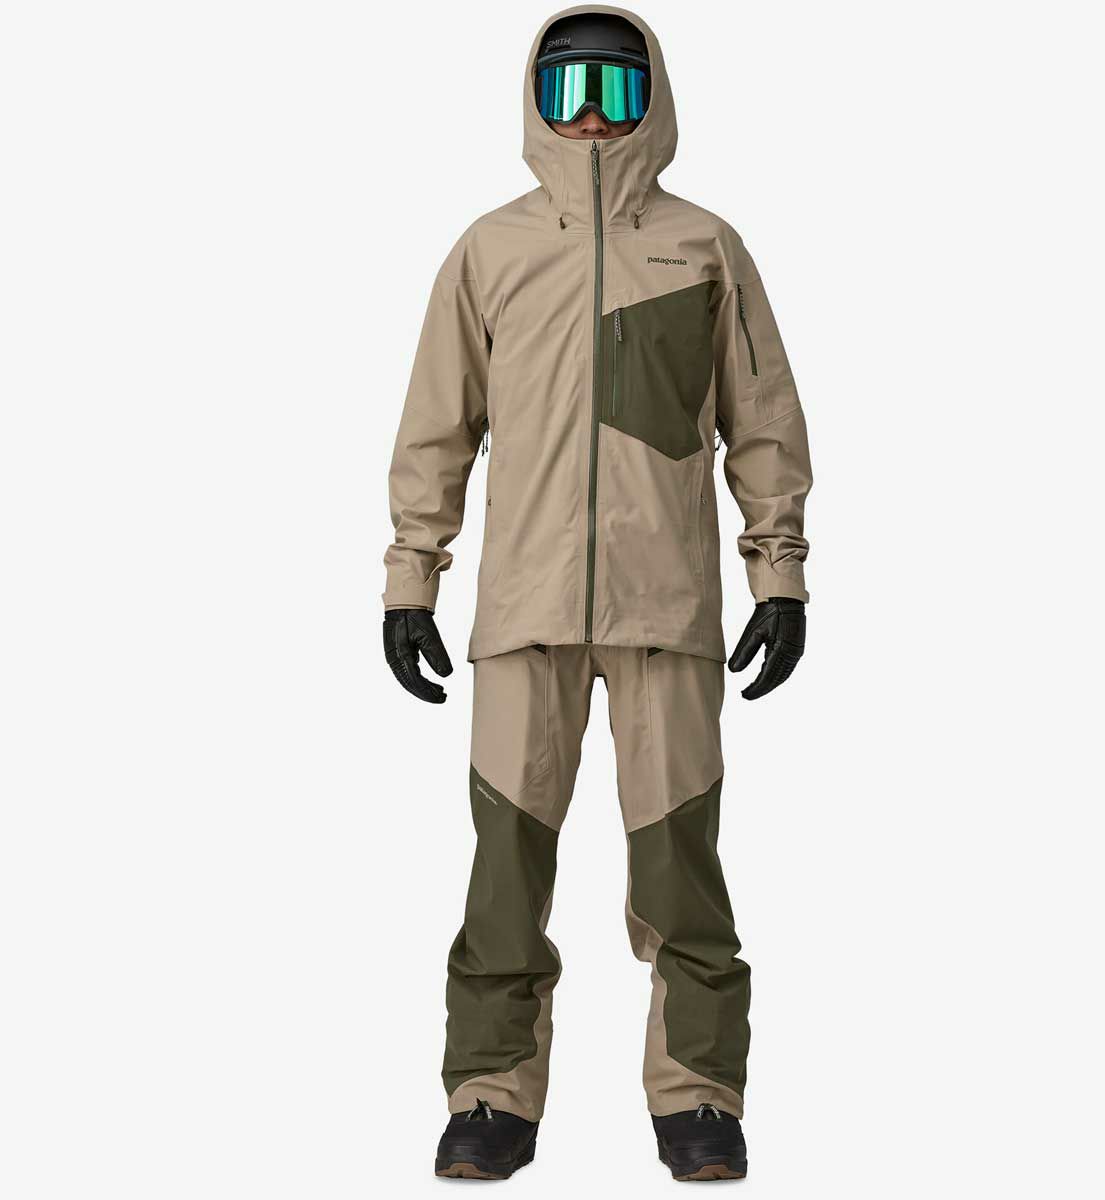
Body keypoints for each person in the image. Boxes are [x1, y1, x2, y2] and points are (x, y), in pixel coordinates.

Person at [382, 7, 811, 1182]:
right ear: (534, 101)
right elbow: (436, 428)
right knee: (505, 869)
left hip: (665, 604)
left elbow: (762, 422)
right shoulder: (490, 251)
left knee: (681, 865)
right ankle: (490, 1093)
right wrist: (412, 579)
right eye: (566, 91)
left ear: (651, 102)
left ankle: (699, 1093)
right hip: (524, 606)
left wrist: (777, 574)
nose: (587, 118)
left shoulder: (704, 246)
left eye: (614, 94)